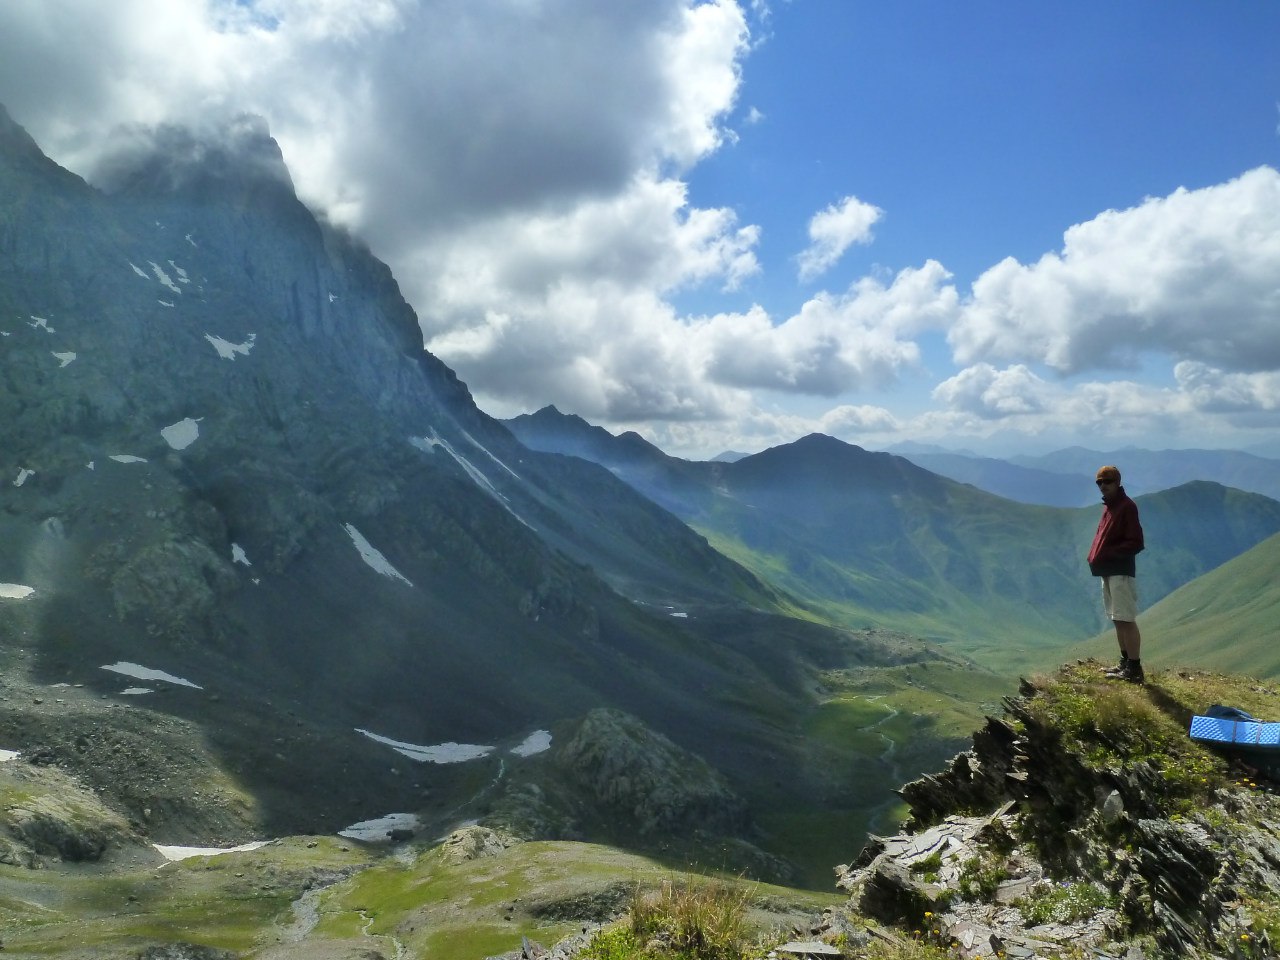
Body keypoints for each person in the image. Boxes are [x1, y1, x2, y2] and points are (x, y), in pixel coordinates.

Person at [1087, 465, 1146, 683]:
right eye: (1099, 482)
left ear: (1118, 482)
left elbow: (1136, 542)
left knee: (1126, 619)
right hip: (1109, 571)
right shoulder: (1110, 507)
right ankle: (1125, 662)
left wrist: (1109, 554)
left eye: (1108, 481)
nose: (1103, 486)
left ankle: (1134, 668)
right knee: (1117, 618)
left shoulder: (1126, 507)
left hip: (1120, 571)